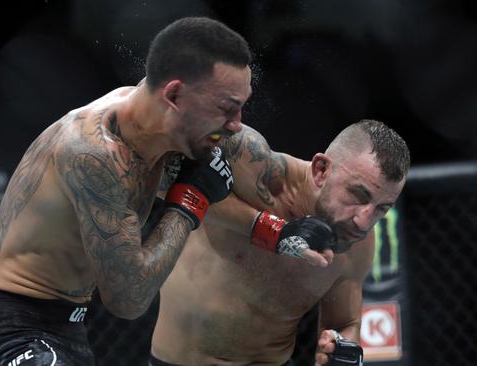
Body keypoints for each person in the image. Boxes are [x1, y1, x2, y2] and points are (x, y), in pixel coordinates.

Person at [0, 17, 259, 366]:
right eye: (226, 108)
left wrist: (276, 230)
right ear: (174, 94)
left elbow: (246, 178)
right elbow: (128, 299)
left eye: (241, 106)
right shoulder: (92, 152)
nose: (236, 123)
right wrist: (190, 203)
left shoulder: (160, 131)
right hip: (11, 334)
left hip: (69, 331)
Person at [150, 119, 410, 365]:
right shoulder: (256, 170)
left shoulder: (356, 243)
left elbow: (344, 323)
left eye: (382, 209)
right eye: (358, 194)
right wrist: (271, 229)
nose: (364, 222)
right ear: (321, 170)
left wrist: (341, 348)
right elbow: (161, 167)